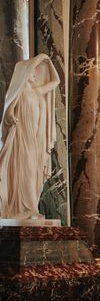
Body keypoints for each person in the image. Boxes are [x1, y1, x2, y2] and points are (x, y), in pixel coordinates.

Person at [0, 54, 59, 219]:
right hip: (21, 138)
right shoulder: (18, 93)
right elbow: (8, 113)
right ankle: (24, 209)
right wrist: (11, 117)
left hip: (34, 139)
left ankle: (30, 207)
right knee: (25, 170)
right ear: (25, 74)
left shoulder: (37, 92)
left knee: (34, 171)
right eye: (33, 72)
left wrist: (45, 59)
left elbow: (56, 81)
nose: (35, 75)